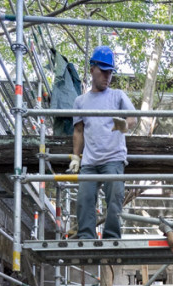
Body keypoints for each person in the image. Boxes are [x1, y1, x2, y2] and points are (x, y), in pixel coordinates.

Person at [68, 46, 136, 239]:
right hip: (90, 162)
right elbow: (78, 130)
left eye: (110, 72)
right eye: (103, 71)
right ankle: (86, 237)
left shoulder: (118, 96)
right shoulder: (80, 101)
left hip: (113, 159)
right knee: (84, 200)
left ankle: (112, 237)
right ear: (92, 69)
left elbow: (134, 118)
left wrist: (125, 125)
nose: (107, 76)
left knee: (115, 198)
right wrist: (75, 157)